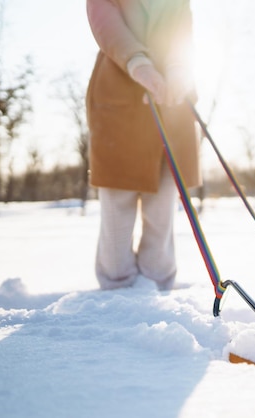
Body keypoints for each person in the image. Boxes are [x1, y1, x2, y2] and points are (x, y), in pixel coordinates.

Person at [85, 0, 200, 291]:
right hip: (120, 93)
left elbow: (181, 32)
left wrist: (177, 69)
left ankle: (157, 282)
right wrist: (138, 63)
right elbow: (105, 23)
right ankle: (117, 285)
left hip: (171, 99)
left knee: (163, 198)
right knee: (118, 200)